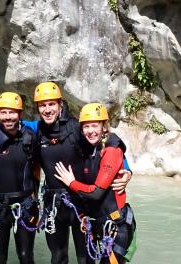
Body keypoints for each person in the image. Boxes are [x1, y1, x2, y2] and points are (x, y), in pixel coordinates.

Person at [33, 82, 132, 264]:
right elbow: (15, 125)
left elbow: (108, 143)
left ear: (60, 104)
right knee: (57, 257)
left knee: (85, 258)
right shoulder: (37, 130)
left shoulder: (76, 128)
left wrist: (127, 171)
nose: (47, 109)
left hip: (81, 203)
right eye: (42, 105)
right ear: (38, 108)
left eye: (51, 104)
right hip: (53, 204)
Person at [54, 103, 136, 264]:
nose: (90, 130)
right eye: (86, 126)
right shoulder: (91, 147)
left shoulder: (112, 149)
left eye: (94, 125)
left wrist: (72, 183)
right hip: (99, 224)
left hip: (116, 226)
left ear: (104, 126)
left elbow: (97, 192)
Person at [0, 92, 41, 264]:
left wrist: (36, 196)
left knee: (26, 257)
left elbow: (38, 166)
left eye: (12, 112)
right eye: (3, 112)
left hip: (24, 206)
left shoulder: (30, 137)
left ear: (20, 114)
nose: (8, 117)